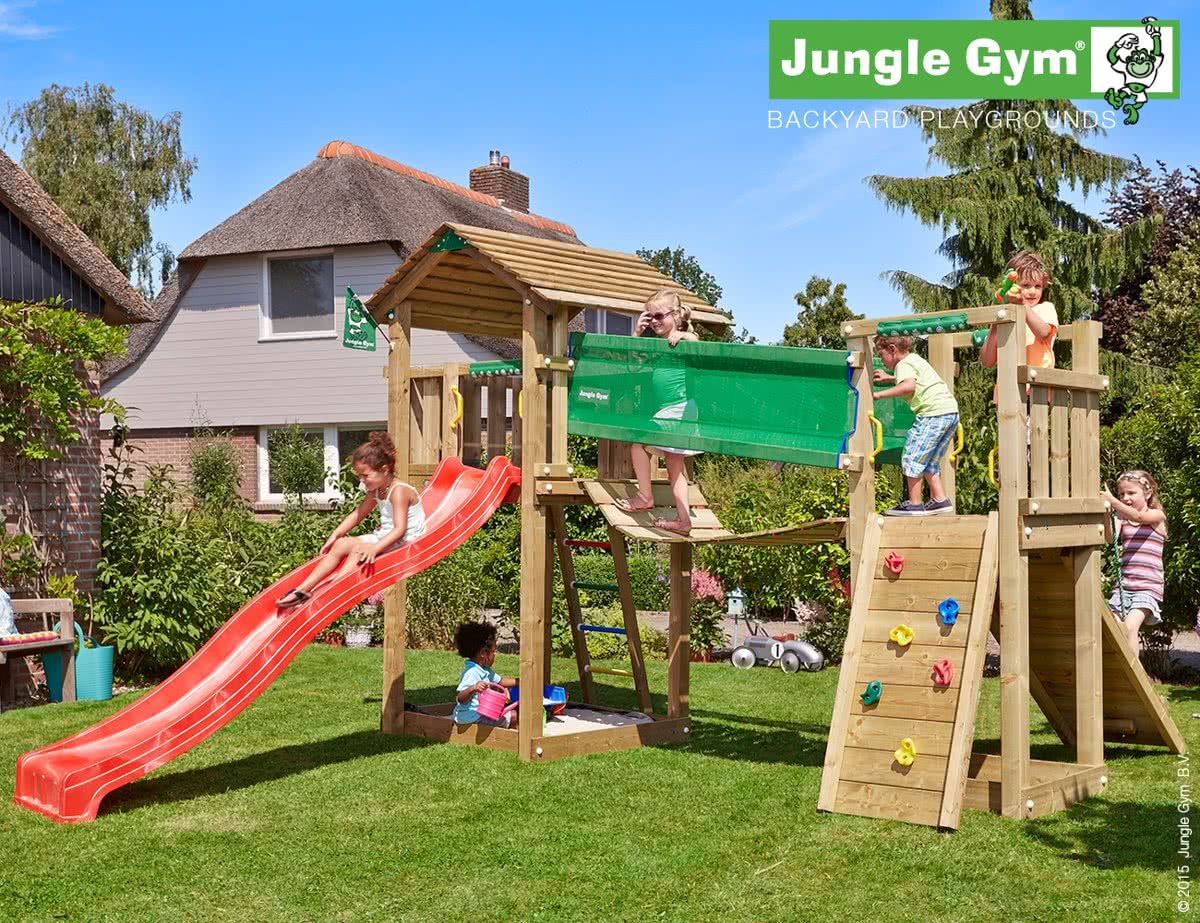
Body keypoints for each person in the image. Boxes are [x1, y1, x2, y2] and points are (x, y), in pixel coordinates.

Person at [276, 432, 426, 608]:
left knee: (358, 551)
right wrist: (335, 535)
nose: (362, 481)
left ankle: (333, 592)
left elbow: (400, 529)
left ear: (384, 470)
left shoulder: (399, 491)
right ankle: (303, 590)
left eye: (366, 476)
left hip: (406, 539)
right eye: (359, 477)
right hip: (387, 534)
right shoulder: (377, 490)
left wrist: (375, 548)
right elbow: (357, 514)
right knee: (341, 544)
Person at [614, 288, 700, 534]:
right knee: (675, 468)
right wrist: (636, 333)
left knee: (638, 444)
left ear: (677, 315)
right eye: (650, 317)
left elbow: (698, 344)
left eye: (659, 316)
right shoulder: (658, 345)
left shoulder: (681, 340)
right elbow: (632, 367)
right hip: (676, 410)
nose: (654, 321)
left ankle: (644, 497)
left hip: (678, 408)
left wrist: (684, 336)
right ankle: (684, 521)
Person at [872, 334, 959, 516]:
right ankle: (940, 500)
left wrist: (880, 395)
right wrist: (890, 378)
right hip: (950, 413)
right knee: (930, 461)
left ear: (892, 349)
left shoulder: (902, 365)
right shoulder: (915, 359)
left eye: (881, 356)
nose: (882, 360)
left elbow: (909, 386)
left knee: (912, 457)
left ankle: (915, 504)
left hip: (932, 414)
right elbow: (916, 381)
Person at [1102, 470, 1167, 650]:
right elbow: (1110, 538)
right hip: (1125, 586)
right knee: (1112, 628)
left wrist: (1113, 501)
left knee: (1130, 627)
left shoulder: (1157, 516)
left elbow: (1139, 517)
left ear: (1148, 493)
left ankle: (1133, 668)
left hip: (1147, 587)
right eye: (1122, 494)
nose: (1125, 498)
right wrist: (1107, 512)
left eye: (1131, 493)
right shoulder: (1122, 519)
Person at [979, 250, 1059, 382]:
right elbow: (987, 361)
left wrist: (1023, 304)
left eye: (1038, 286)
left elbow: (1044, 332)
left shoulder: (1045, 308)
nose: (1033, 291)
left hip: (1037, 385)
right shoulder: (1006, 314)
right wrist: (995, 324)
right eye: (1026, 285)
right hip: (1008, 388)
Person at [453, 621, 517, 727]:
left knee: (508, 711)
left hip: (480, 714)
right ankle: (510, 738)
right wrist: (473, 688)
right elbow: (460, 698)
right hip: (473, 718)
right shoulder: (472, 672)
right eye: (493, 652)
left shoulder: (484, 670)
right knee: (514, 715)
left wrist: (520, 681)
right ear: (483, 653)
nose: (494, 656)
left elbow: (501, 681)